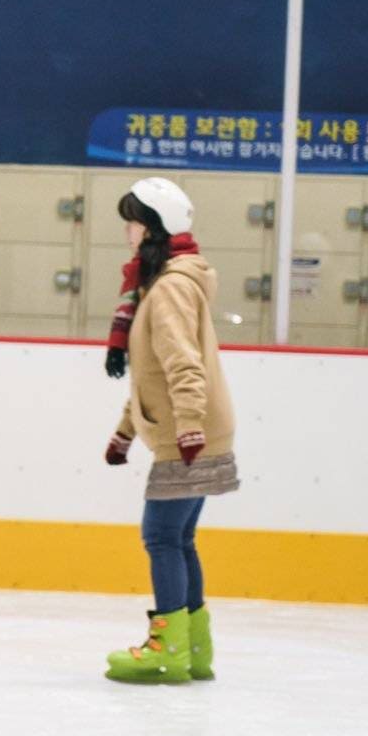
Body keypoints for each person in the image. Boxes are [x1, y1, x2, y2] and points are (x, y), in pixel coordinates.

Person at [102, 178, 240, 683]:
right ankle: (195, 649)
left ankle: (169, 649)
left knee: (161, 536)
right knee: (179, 538)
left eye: (134, 222)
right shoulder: (162, 284)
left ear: (154, 228)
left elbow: (183, 365)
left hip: (190, 435)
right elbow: (151, 375)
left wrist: (188, 429)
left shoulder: (168, 290)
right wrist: (125, 431)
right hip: (192, 429)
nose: (128, 232)